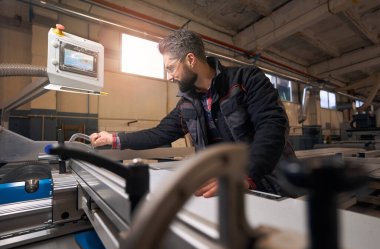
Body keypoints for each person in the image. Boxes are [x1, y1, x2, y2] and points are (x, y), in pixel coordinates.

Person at [90, 29, 296, 198]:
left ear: (190, 59)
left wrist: (245, 175)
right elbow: (160, 133)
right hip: (227, 188)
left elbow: (272, 126)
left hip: (273, 183)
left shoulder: (246, 79)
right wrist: (114, 138)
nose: (170, 77)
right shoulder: (188, 103)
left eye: (171, 68)